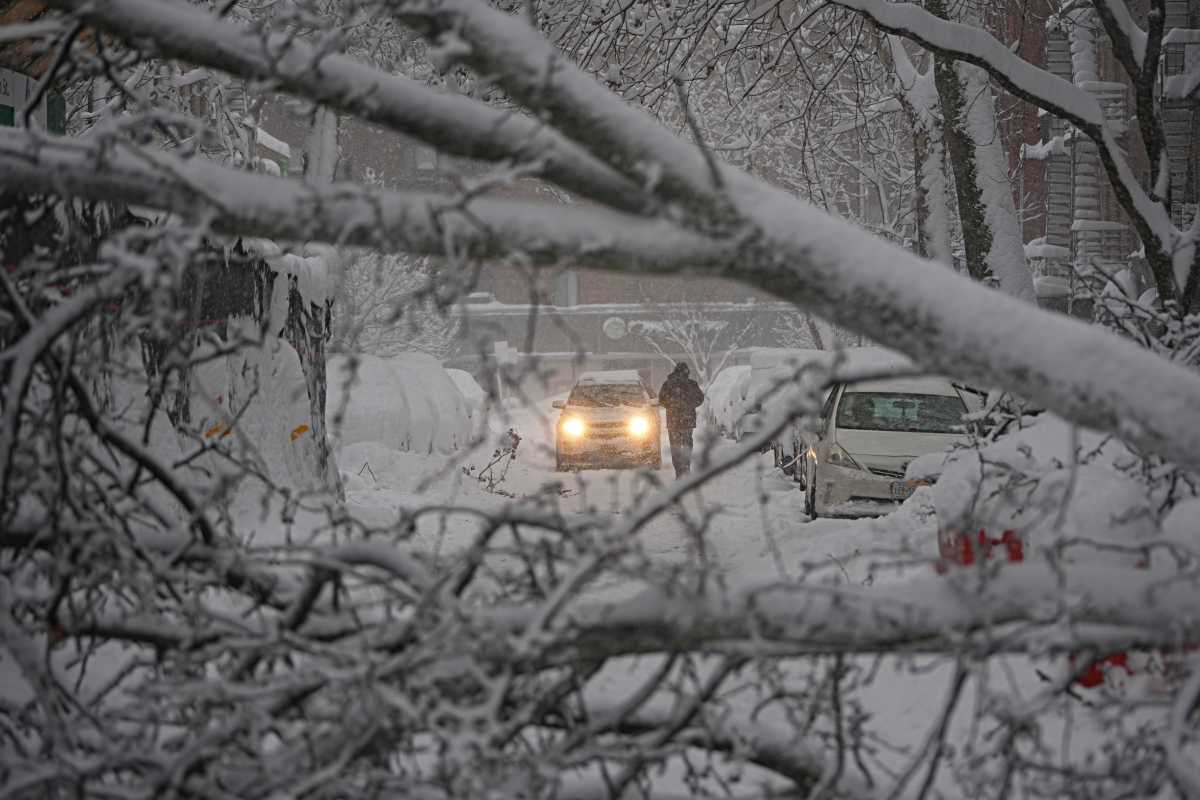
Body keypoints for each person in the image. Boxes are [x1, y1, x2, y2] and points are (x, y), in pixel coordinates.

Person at [658, 362, 704, 477]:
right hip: (687, 420)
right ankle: (686, 467)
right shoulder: (692, 384)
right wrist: (690, 405)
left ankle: (679, 470)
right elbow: (700, 398)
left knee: (675, 446)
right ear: (687, 371)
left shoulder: (668, 384)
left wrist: (671, 406)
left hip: (673, 421)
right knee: (687, 444)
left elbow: (661, 399)